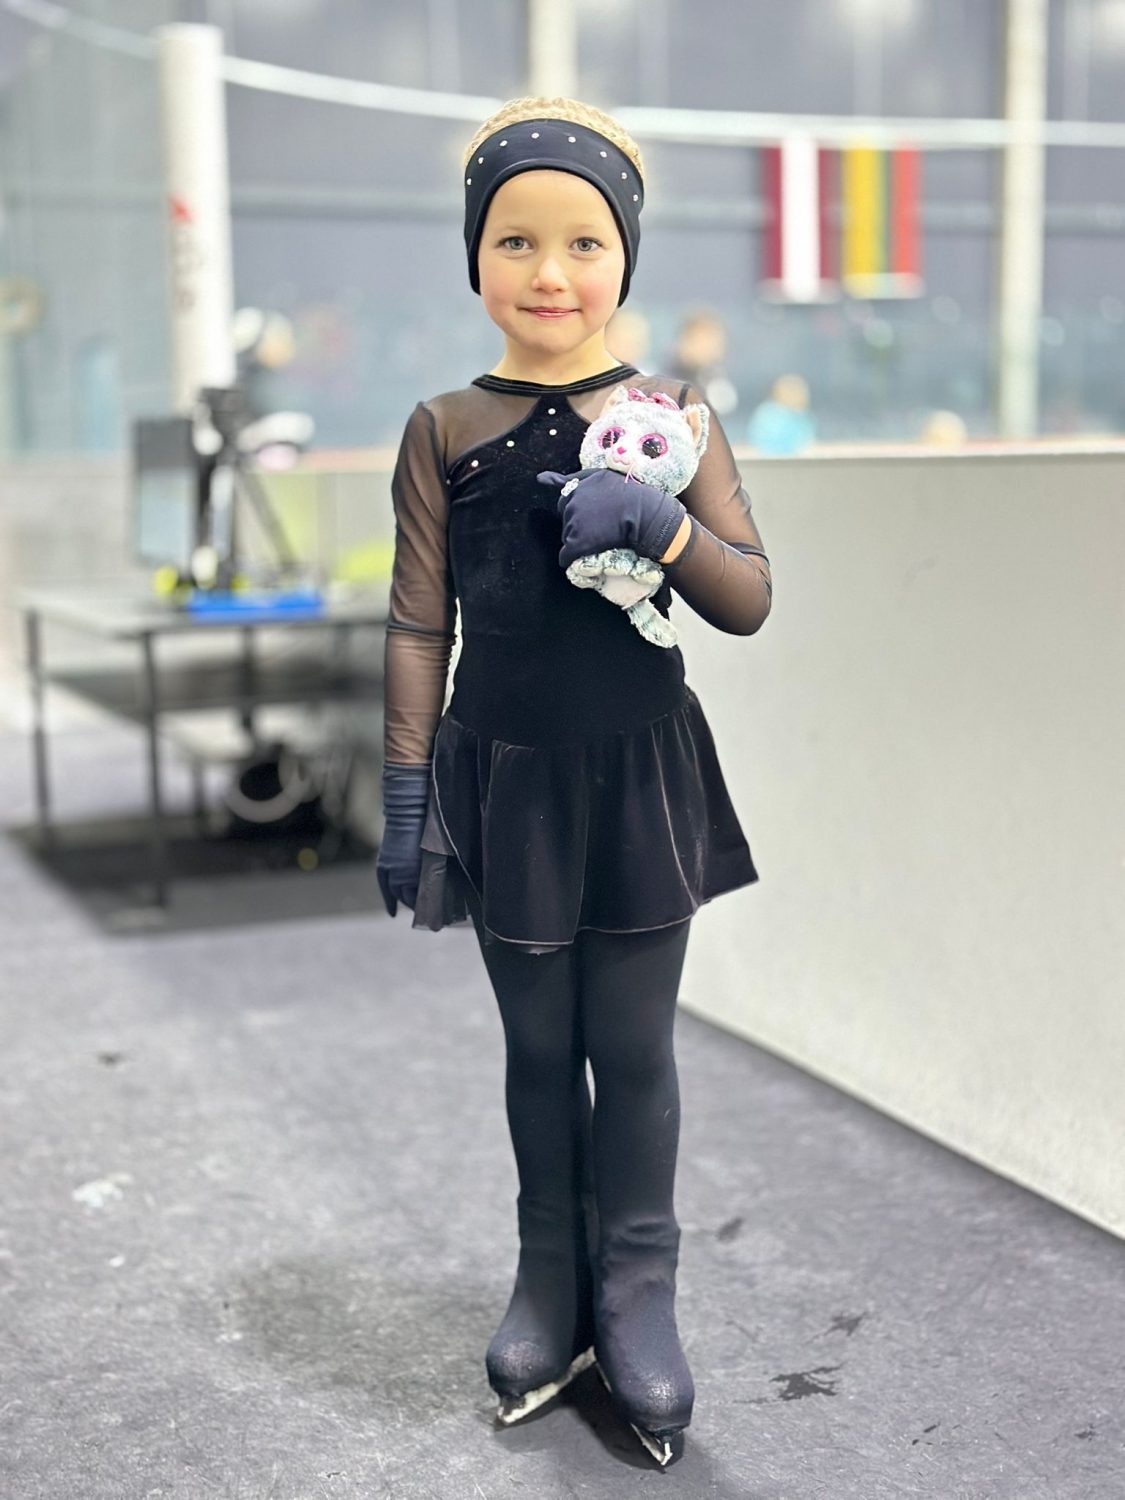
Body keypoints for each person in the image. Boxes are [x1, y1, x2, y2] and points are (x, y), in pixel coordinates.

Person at [375, 95, 772, 1469]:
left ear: (625, 258)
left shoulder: (674, 418)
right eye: (516, 241)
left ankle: (639, 1288)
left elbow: (749, 596)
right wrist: (406, 793)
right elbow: (417, 621)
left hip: (638, 772)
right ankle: (551, 1272)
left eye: (584, 242)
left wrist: (663, 527)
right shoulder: (441, 427)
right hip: (508, 781)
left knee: (635, 1047)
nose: (550, 272)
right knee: (538, 1048)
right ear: (474, 256)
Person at [745, 373, 816, 455]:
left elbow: (806, 442)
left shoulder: (803, 417)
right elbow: (759, 444)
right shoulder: (768, 414)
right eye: (791, 390)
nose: (798, 395)